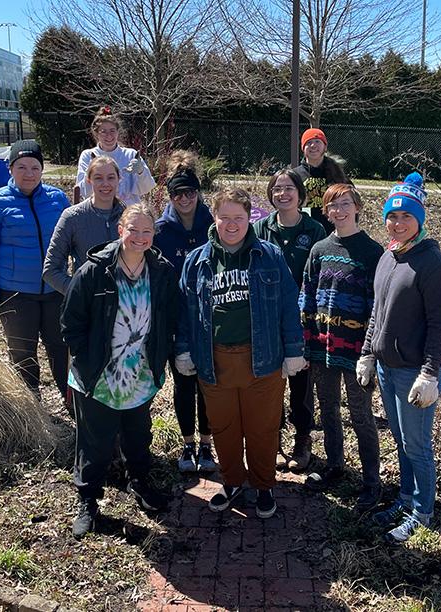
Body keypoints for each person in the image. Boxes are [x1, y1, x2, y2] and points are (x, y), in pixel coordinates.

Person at [175, 187, 306, 519]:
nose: (231, 225)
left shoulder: (270, 256)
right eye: (225, 217)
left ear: (250, 218)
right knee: (225, 427)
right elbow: (185, 311)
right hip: (215, 360)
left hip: (261, 360)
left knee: (262, 428)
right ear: (214, 218)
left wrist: (293, 350)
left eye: (239, 218)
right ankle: (233, 482)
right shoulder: (197, 261)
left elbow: (290, 304)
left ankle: (263, 486)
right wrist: (184, 350)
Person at [61, 205, 177, 538]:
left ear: (154, 234)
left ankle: (139, 483)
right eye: (133, 230)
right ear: (120, 230)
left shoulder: (160, 271)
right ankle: (88, 501)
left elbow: (168, 317)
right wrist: (88, 359)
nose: (140, 238)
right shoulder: (94, 271)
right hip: (98, 376)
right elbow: (71, 323)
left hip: (140, 375)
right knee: (94, 444)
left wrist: (163, 354)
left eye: (147, 232)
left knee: (138, 437)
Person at [356, 172, 441, 544]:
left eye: (406, 217)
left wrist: (429, 373)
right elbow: (377, 313)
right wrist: (367, 353)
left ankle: (422, 513)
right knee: (400, 441)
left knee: (418, 446)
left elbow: (438, 325)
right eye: (392, 217)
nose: (398, 223)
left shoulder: (433, 264)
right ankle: (405, 498)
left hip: (414, 372)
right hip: (386, 368)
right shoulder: (387, 256)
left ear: (420, 220)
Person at [300, 184, 384, 513]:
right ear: (325, 211)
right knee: (329, 411)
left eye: (345, 204)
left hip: (357, 353)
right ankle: (335, 466)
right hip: (323, 348)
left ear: (357, 207)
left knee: (362, 417)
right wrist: (307, 342)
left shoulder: (372, 252)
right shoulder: (320, 249)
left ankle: (371, 483)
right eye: (332, 206)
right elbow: (306, 296)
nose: (339, 210)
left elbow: (378, 307)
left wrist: (370, 353)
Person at [0, 139, 70, 402]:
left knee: (61, 348)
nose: (29, 174)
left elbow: (72, 240)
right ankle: (30, 406)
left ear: (42, 169)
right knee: (22, 352)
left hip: (54, 291)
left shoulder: (57, 200)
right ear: (11, 169)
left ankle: (72, 401)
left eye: (35, 167)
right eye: (22, 167)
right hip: (15, 294)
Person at [253, 170, 326, 472]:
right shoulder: (260, 228)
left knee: (301, 384)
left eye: (289, 189)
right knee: (269, 384)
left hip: (302, 321)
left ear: (300, 194)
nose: (283, 194)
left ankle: (302, 438)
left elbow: (321, 277)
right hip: (267, 320)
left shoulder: (315, 230)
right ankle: (271, 438)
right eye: (277, 189)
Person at [152, 151, 218, 474]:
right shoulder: (161, 230)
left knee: (207, 382)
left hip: (210, 318)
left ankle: (207, 444)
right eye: (178, 193)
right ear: (171, 196)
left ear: (198, 192)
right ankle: (187, 443)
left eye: (190, 192)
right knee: (183, 383)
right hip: (176, 319)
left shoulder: (212, 223)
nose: (185, 198)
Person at [44, 156, 127, 295]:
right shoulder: (72, 217)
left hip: (124, 306)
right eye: (98, 178)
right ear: (89, 180)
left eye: (111, 177)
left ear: (119, 179)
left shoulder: (128, 216)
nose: (105, 184)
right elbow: (50, 270)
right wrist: (78, 293)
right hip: (88, 309)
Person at [74, 107, 156, 206]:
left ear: (118, 131)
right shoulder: (88, 156)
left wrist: (141, 171)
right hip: (99, 212)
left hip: (127, 214)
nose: (109, 136)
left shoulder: (131, 155)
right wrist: (91, 172)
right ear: (96, 134)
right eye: (103, 131)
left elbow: (146, 188)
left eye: (112, 131)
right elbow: (83, 192)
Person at [292, 127, 350, 235]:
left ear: (325, 147)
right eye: (308, 142)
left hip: (333, 231)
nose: (313, 145)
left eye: (317, 141)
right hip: (304, 231)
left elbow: (351, 203)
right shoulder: (295, 175)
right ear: (303, 148)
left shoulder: (337, 174)